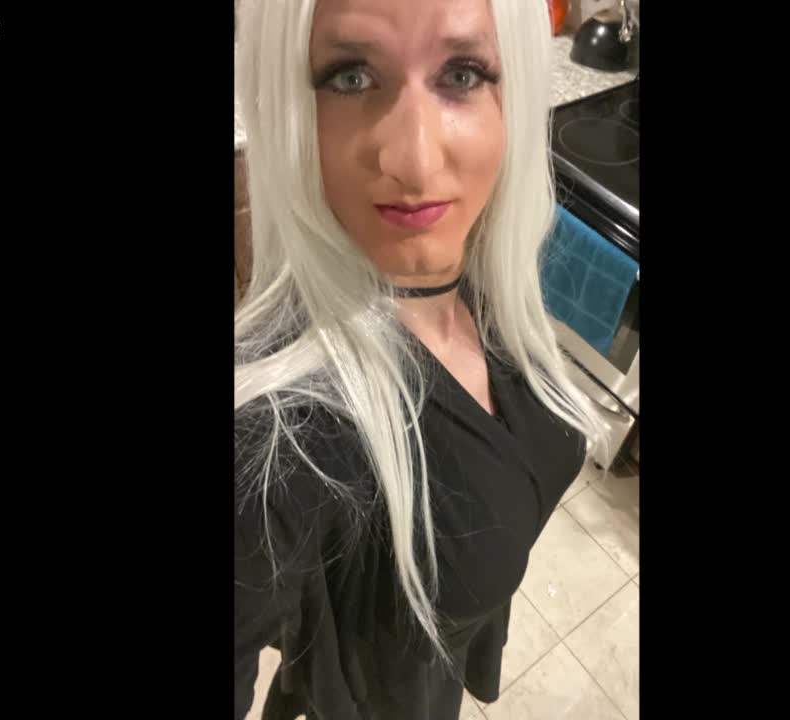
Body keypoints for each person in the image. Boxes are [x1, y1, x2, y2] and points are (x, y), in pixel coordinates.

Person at [233, 1, 609, 718]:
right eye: (350, 77)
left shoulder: (479, 277)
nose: (414, 160)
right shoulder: (277, 436)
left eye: (462, 74)